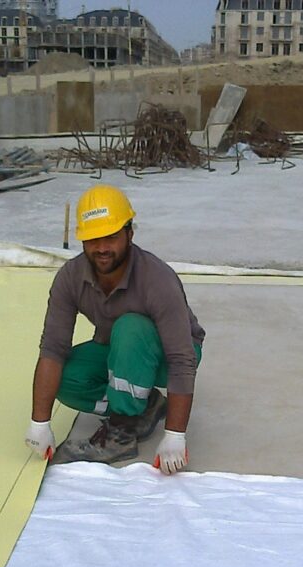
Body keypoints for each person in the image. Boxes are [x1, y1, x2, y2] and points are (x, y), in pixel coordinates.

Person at [24, 184, 205, 475]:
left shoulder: (156, 279)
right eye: (93, 239)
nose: (102, 248)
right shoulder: (70, 278)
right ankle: (145, 406)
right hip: (118, 349)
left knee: (130, 326)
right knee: (66, 378)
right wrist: (39, 423)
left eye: (111, 237)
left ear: (129, 234)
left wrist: (175, 434)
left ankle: (121, 432)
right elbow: (53, 349)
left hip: (171, 355)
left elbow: (182, 358)